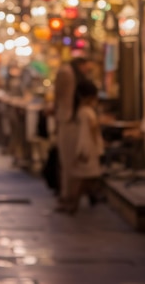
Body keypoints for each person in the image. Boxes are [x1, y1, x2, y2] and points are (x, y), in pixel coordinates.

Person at [53, 57, 93, 206]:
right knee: (68, 160)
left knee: (71, 160)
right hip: (68, 120)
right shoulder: (67, 72)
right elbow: (60, 96)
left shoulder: (70, 73)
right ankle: (68, 195)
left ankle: (70, 195)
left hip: (71, 120)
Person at [64, 79, 104, 213]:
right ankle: (74, 204)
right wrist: (85, 150)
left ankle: (76, 203)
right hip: (89, 150)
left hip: (88, 149)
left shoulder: (81, 111)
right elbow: (86, 134)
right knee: (84, 179)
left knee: (85, 179)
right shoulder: (86, 112)